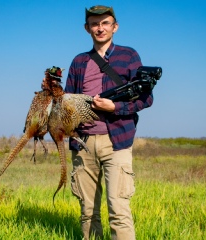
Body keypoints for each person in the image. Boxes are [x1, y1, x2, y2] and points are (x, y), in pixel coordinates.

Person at [65, 5, 153, 240]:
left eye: (105, 23)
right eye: (94, 23)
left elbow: (146, 98)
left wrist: (114, 107)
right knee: (87, 213)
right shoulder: (79, 62)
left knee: (119, 211)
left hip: (117, 142)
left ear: (115, 27)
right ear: (87, 28)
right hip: (83, 145)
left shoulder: (129, 56)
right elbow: (68, 103)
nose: (100, 28)